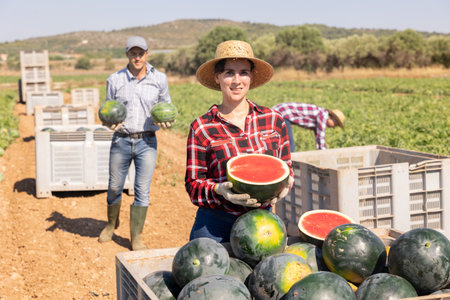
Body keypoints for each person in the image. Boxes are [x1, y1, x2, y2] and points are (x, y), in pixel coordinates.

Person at [185, 40, 295, 243]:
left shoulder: (273, 120)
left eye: (244, 72)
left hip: (262, 224)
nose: (237, 80)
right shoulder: (201, 127)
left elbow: (286, 167)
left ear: (251, 77)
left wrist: (286, 184)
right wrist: (220, 191)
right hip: (215, 225)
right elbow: (193, 185)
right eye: (229, 73)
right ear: (218, 77)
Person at [98, 36, 173, 251]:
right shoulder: (114, 80)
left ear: (147, 54)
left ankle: (136, 236)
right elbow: (108, 108)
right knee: (114, 186)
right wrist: (108, 122)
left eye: (141, 53)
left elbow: (166, 105)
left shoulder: (159, 79)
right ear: (127, 54)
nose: (137, 56)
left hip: (147, 141)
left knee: (142, 190)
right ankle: (111, 224)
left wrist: (167, 118)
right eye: (133, 52)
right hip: (121, 139)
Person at [272, 103, 345, 152]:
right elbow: (320, 137)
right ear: (332, 117)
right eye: (335, 124)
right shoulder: (323, 116)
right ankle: (288, 166)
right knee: (290, 146)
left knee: (278, 142)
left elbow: (317, 137)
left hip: (280, 113)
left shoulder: (321, 114)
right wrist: (323, 154)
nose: (333, 127)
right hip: (282, 114)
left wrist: (319, 151)